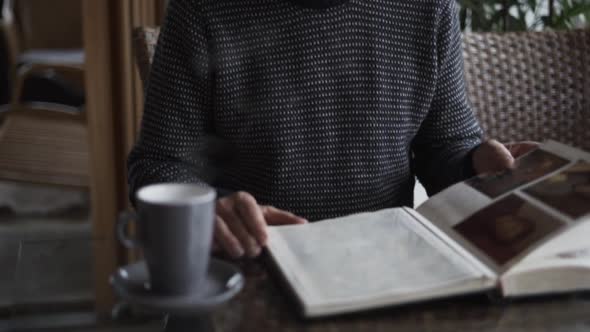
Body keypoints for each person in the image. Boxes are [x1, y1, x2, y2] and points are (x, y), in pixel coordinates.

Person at [128, 0, 537, 259]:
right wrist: (206, 210)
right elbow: (160, 165)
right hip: (254, 266)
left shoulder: (428, 8)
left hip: (385, 267)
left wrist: (473, 165)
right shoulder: (202, 10)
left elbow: (444, 144)